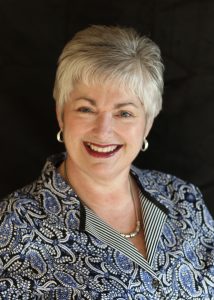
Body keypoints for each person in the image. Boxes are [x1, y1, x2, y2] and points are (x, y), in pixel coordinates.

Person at [0, 25, 213, 300]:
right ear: (61, 115)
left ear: (147, 124)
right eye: (86, 109)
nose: (103, 131)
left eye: (124, 113)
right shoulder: (10, 228)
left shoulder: (184, 199)